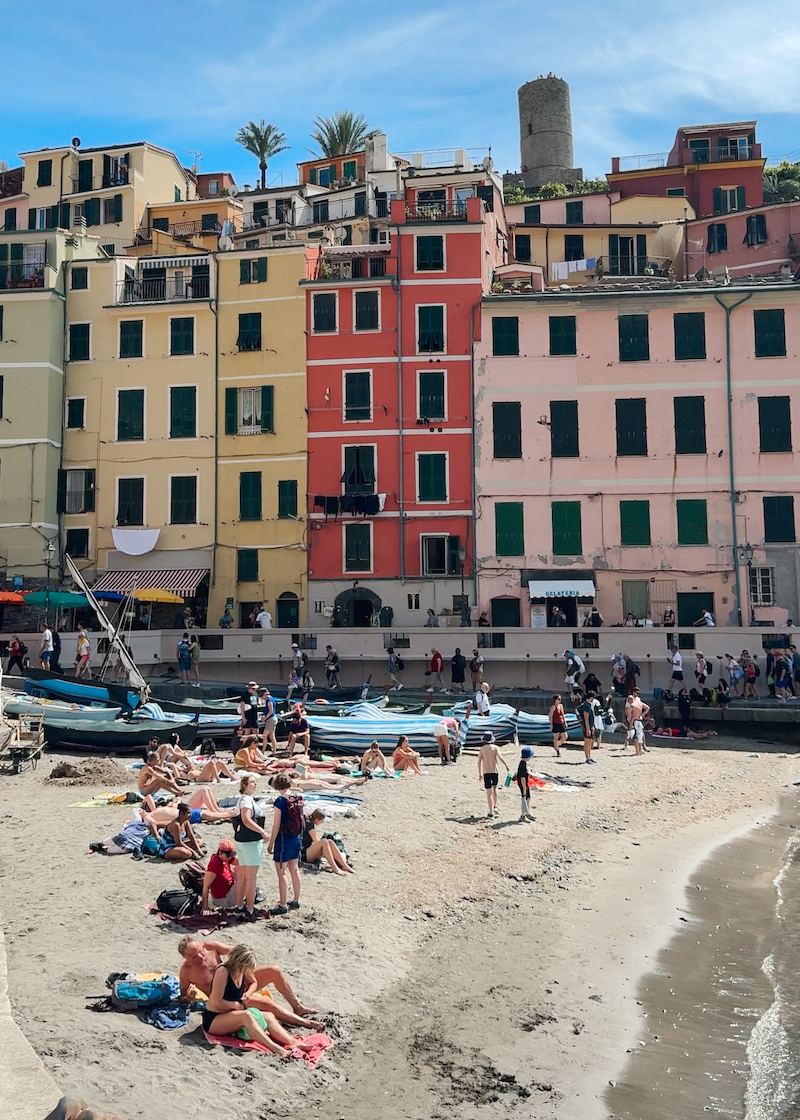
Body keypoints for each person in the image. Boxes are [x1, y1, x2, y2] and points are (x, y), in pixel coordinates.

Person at [178, 937, 322, 1028]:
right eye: (193, 956)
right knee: (268, 1005)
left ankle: (298, 1007)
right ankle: (303, 1023)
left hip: (239, 983)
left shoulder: (211, 946)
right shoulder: (186, 971)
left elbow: (237, 952)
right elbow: (182, 996)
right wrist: (189, 999)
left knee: (274, 970)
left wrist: (246, 971)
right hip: (227, 999)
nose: (200, 956)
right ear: (185, 958)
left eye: (200, 951)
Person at [200, 944, 303, 1055]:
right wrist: (234, 1005)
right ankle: (276, 1049)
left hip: (232, 1014)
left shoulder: (242, 970)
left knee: (269, 1016)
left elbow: (254, 982)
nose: (247, 970)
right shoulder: (223, 972)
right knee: (246, 1016)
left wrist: (248, 993)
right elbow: (216, 1002)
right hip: (214, 1019)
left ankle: (292, 1042)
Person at [232, 775, 268, 919]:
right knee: (251, 878)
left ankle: (240, 906)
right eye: (252, 782)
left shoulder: (242, 799)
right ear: (245, 785)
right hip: (250, 842)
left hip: (241, 841)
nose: (255, 784)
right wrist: (262, 831)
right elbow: (246, 819)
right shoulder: (246, 799)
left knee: (243, 876)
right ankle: (250, 909)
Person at [267, 772, 304, 915]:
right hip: (296, 837)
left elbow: (276, 825)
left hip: (283, 839)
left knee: (282, 872)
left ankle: (282, 904)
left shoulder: (280, 801)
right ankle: (296, 899)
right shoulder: (297, 798)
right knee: (294, 869)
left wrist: (271, 843)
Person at [301, 808, 355, 874]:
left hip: (308, 850)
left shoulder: (310, 823)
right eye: (322, 821)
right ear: (317, 820)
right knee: (324, 842)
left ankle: (345, 865)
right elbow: (315, 840)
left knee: (330, 841)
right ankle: (335, 868)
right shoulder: (309, 824)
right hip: (304, 853)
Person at [202, 838, 239, 911]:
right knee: (245, 879)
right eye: (228, 855)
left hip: (229, 890)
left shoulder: (225, 858)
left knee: (243, 870)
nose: (230, 857)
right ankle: (251, 895)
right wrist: (205, 907)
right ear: (220, 852)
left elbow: (242, 863)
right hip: (223, 899)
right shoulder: (215, 864)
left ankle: (252, 892)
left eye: (232, 855)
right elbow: (206, 886)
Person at [477, 731, 509, 817]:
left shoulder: (482, 749)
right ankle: (495, 806)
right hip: (495, 771)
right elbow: (500, 757)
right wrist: (506, 765)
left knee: (488, 792)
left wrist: (479, 773)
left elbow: (479, 762)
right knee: (495, 789)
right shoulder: (495, 748)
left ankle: (491, 812)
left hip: (486, 772)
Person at [625, 688, 651, 757]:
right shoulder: (639, 703)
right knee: (640, 736)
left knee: (636, 737)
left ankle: (637, 751)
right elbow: (648, 707)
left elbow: (633, 716)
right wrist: (643, 714)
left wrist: (630, 724)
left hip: (635, 721)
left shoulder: (633, 706)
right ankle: (640, 750)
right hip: (640, 720)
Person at [516, 746, 536, 822]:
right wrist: (524, 788)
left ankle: (527, 812)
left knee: (528, 798)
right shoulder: (522, 765)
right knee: (524, 798)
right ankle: (523, 815)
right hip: (523, 784)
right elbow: (522, 778)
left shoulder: (523, 763)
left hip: (524, 783)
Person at [579, 691, 598, 764]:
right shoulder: (586, 706)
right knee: (587, 742)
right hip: (587, 726)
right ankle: (587, 758)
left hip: (591, 726)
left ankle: (589, 757)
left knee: (590, 742)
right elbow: (586, 719)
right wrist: (587, 728)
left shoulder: (590, 705)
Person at [259, 687, 279, 755]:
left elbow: (271, 711)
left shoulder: (269, 700)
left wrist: (264, 718)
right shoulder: (271, 699)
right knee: (271, 735)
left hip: (271, 720)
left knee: (264, 736)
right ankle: (274, 751)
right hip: (272, 719)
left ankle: (263, 751)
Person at [549, 693, 567, 757]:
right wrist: (551, 724)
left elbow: (562, 714)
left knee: (565, 736)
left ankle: (557, 745)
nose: (560, 700)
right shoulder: (553, 707)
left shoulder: (561, 706)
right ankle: (557, 750)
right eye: (559, 699)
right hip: (555, 723)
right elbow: (551, 716)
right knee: (556, 738)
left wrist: (565, 722)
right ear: (556, 700)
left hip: (561, 722)